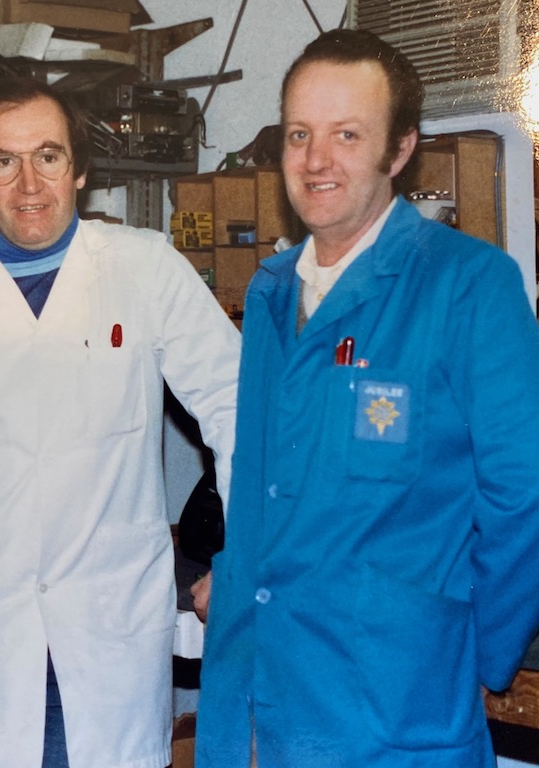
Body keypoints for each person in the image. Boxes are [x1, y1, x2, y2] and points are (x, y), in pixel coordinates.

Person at [0, 77, 241, 767]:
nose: (29, 182)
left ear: (80, 169)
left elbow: (238, 410)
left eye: (49, 156)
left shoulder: (145, 270)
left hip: (106, 641)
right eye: (4, 160)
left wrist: (250, 555)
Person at [194, 28, 539, 767]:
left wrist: (477, 653)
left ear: (400, 148)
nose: (316, 161)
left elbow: (523, 494)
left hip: (394, 711)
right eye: (298, 134)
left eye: (347, 134)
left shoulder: (470, 285)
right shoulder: (269, 291)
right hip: (255, 698)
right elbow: (256, 494)